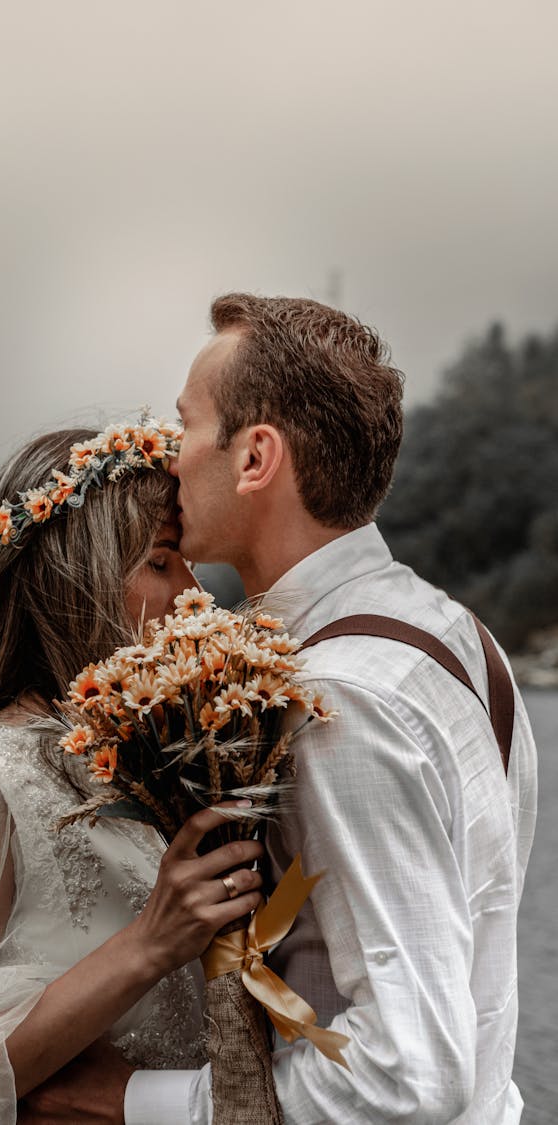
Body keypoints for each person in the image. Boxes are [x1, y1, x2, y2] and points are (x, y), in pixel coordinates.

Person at [42, 298, 538, 1124]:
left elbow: (407, 1076)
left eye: (186, 424)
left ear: (255, 457)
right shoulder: (458, 634)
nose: (169, 457)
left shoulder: (341, 698)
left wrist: (136, 1103)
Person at [0, 420, 266, 1125]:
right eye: (162, 561)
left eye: (190, 565)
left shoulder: (171, 762)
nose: (196, 595)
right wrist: (147, 944)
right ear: (77, 579)